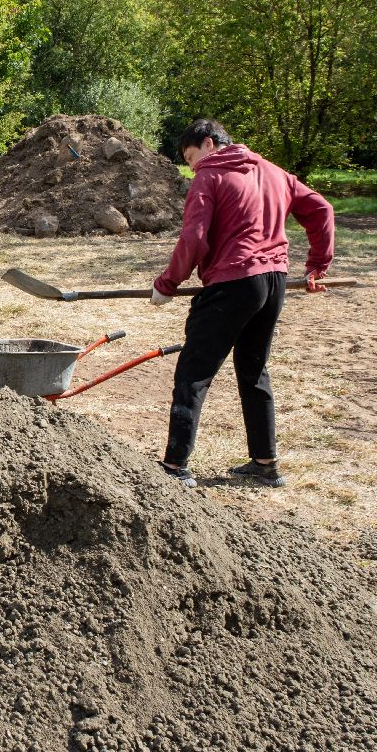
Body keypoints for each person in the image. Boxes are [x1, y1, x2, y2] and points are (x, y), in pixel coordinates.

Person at [149, 118, 334, 488]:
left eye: (190, 157)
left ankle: (174, 467)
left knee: (194, 373)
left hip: (232, 283)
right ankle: (265, 463)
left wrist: (167, 283)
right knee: (253, 371)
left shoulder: (210, 175)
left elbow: (195, 236)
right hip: (274, 283)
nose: (191, 167)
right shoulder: (273, 171)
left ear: (207, 143)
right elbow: (321, 210)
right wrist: (317, 266)